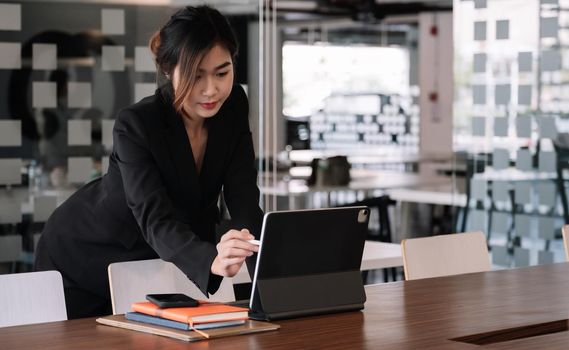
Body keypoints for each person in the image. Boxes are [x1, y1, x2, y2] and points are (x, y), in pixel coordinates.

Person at [34, 5, 263, 319]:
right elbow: (156, 219)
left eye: (222, 72)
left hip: (161, 261)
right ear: (169, 70)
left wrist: (268, 273)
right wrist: (211, 259)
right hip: (85, 254)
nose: (211, 89)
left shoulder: (233, 105)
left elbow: (244, 199)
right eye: (196, 75)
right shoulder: (138, 124)